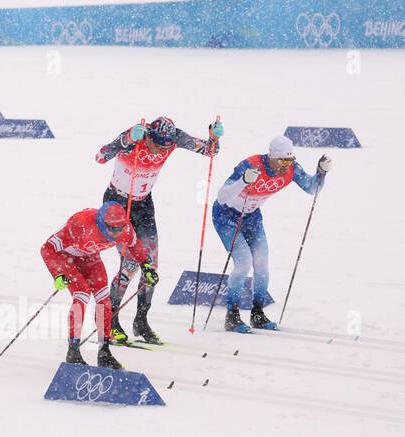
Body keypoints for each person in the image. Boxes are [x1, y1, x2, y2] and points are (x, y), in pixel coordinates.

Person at [95, 115, 222, 345]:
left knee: (150, 266)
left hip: (143, 203)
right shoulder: (136, 134)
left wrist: (214, 137)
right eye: (156, 144)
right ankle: (110, 320)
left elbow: (210, 151)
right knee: (131, 263)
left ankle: (141, 320)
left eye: (166, 146)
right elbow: (100, 156)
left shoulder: (173, 138)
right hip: (117, 202)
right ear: (148, 136)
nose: (159, 150)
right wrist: (125, 140)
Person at [212, 135, 329, 333]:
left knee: (262, 263)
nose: (286, 165)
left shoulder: (291, 168)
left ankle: (257, 313)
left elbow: (312, 188)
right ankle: (231, 315)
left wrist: (321, 173)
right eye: (282, 160)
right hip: (227, 217)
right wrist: (243, 181)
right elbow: (222, 196)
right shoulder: (252, 165)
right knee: (243, 262)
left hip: (251, 217)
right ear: (271, 157)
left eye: (290, 160)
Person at [40, 202, 154, 369]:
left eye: (120, 228)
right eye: (112, 229)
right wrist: (58, 274)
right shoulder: (81, 223)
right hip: (66, 258)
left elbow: (135, 246)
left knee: (103, 300)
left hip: (90, 258)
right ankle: (73, 352)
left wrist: (146, 265)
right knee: (82, 294)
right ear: (101, 222)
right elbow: (47, 248)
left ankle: (104, 352)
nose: (116, 233)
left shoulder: (125, 230)